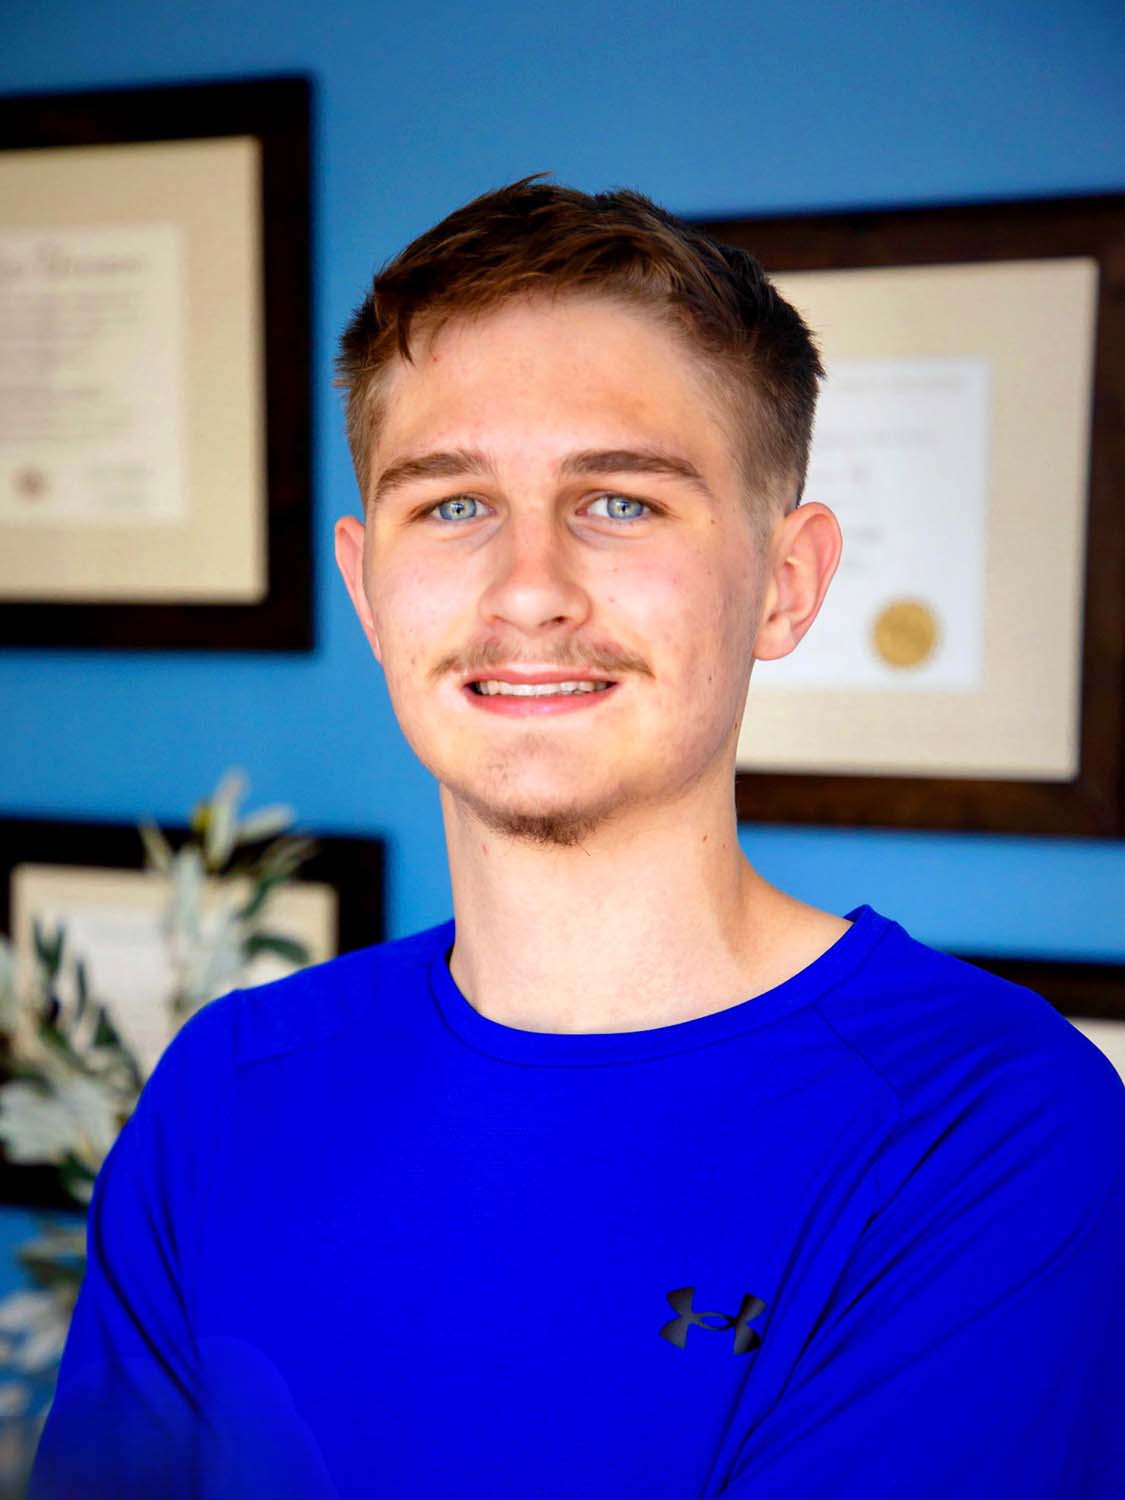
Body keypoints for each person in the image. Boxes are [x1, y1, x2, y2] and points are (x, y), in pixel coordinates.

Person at [30, 174, 1125, 1499]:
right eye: (451, 504)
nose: (529, 590)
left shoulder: (990, 1126)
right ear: (368, 588)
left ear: (786, 584)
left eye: (619, 502)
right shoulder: (228, 1091)